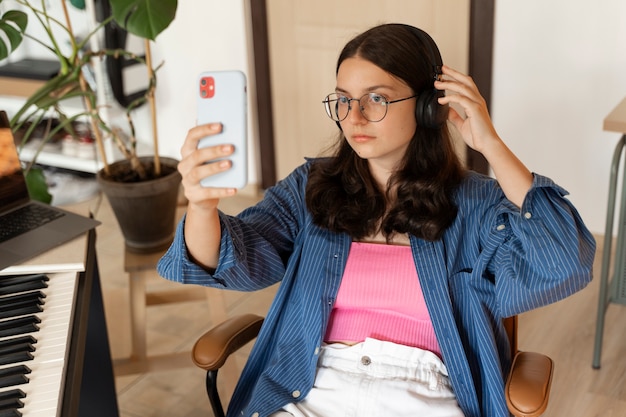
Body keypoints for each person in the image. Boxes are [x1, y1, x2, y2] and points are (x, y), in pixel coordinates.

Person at [158, 23, 596, 417]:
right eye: (344, 100)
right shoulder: (311, 187)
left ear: (430, 106)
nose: (355, 117)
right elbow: (234, 259)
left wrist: (491, 144)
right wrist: (200, 207)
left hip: (423, 391)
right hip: (309, 385)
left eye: (377, 99)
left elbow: (564, 261)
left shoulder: (478, 205)